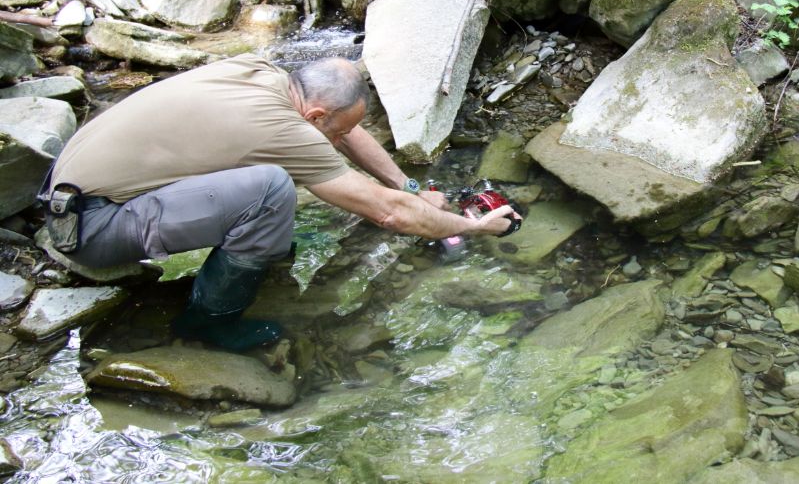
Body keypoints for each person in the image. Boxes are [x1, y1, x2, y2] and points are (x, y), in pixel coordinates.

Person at [45, 55, 517, 351]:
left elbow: (348, 137)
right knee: (271, 189)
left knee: (269, 189)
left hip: (68, 190)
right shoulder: (287, 130)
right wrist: (473, 226)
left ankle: (245, 260)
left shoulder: (262, 72)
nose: (339, 140)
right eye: (333, 131)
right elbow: (386, 212)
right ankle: (209, 323)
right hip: (91, 230)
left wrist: (410, 187)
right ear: (314, 114)